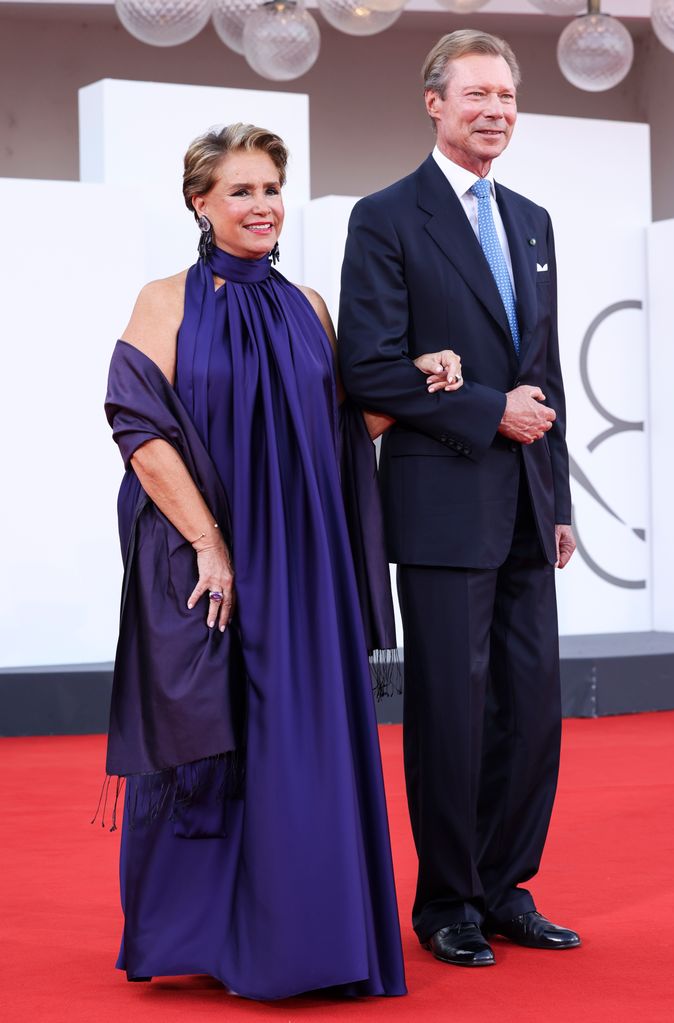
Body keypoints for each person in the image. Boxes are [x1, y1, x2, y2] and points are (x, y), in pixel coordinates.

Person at [102, 122, 415, 1000]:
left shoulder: (311, 305)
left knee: (300, 745)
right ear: (200, 204)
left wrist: (419, 382)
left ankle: (307, 938)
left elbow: (341, 429)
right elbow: (138, 427)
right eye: (240, 191)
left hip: (305, 563)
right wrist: (210, 545)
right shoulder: (165, 300)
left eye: (271, 189)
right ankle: (201, 932)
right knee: (213, 739)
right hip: (210, 559)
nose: (261, 206)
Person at [338, 30, 580, 968]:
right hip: (442, 506)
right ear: (432, 103)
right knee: (450, 710)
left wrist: (555, 497)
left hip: (525, 500)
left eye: (508, 97)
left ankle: (504, 885)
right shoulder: (386, 217)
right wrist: (489, 413)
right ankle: (444, 902)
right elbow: (368, 368)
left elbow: (544, 371)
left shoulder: (531, 219)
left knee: (532, 707)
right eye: (477, 93)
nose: (496, 110)